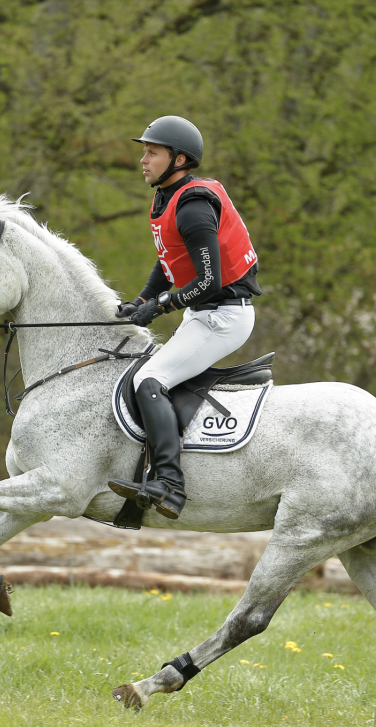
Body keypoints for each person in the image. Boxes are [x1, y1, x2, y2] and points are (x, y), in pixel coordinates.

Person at [108, 116, 262, 519]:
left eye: (151, 152)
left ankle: (170, 485)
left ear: (178, 159)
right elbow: (169, 261)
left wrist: (158, 308)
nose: (143, 159)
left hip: (223, 316)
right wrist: (141, 299)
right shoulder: (167, 197)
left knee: (149, 380)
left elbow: (209, 282)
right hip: (204, 314)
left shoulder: (193, 207)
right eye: (144, 151)